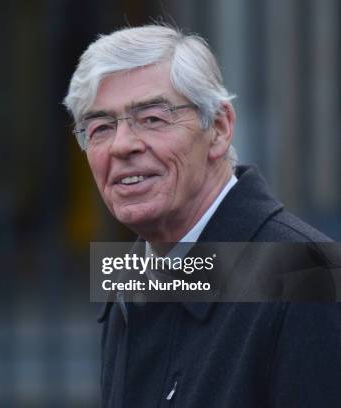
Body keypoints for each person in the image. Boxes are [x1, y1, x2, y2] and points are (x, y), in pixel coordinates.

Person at [63, 24, 341, 407]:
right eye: (100, 127)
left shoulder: (310, 278)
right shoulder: (132, 274)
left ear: (220, 128)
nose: (122, 145)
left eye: (153, 119)